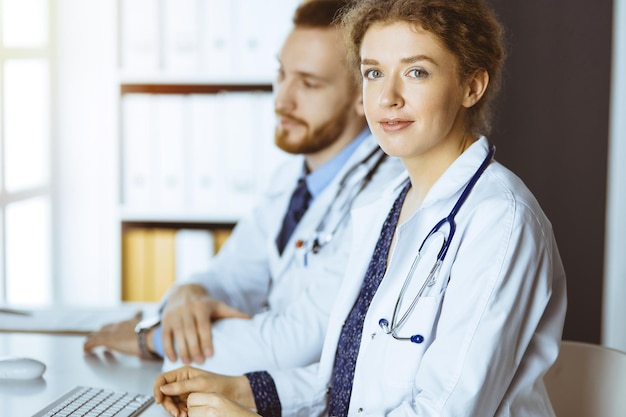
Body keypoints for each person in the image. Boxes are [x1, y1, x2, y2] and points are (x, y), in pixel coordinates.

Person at [151, 0, 568, 416]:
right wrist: (240, 390)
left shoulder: (501, 220)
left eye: (416, 72)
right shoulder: (385, 205)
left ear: (471, 87)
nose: (388, 97)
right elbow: (341, 384)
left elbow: (442, 411)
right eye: (373, 73)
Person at [83, 0, 404, 376]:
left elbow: (300, 343)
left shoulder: (385, 192)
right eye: (281, 74)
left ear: (361, 95)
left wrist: (152, 339)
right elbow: (231, 276)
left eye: (308, 83)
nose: (282, 100)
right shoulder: (289, 180)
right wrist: (190, 294)